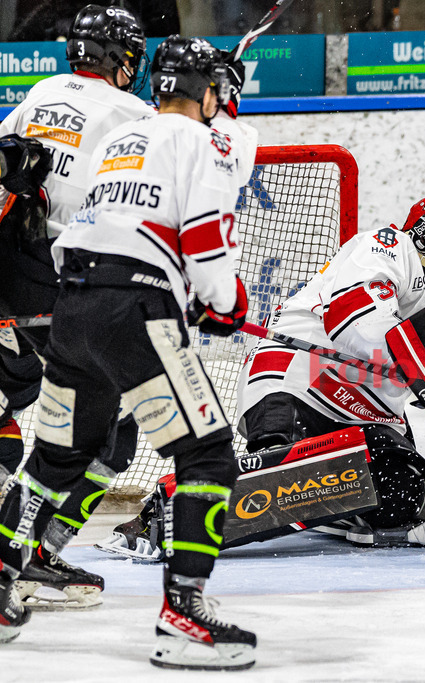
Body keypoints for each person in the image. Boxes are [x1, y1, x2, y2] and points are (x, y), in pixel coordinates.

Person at [0, 35, 257, 668]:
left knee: (56, 460)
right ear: (209, 93)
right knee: (207, 456)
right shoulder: (205, 140)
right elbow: (201, 234)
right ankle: (184, 615)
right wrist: (222, 303)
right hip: (132, 312)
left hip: (74, 308)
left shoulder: (122, 140)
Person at [97, 192, 425, 559]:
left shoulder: (416, 299)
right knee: (279, 475)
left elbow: (393, 367)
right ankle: (162, 515)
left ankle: (337, 504)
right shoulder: (387, 246)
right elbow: (355, 317)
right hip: (295, 386)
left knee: (407, 490)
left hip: (348, 412)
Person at [0, 3, 154, 610]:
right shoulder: (134, 114)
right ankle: (32, 552)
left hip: (7, 272)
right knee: (112, 430)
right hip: (62, 283)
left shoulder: (39, 94)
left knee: (10, 394)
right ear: (121, 60)